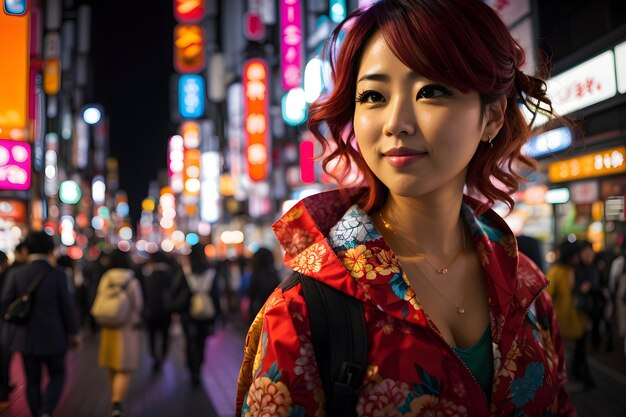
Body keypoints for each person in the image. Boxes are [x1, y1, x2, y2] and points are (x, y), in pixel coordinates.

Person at [236, 1, 575, 415]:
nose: (396, 122)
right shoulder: (303, 308)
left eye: (431, 90)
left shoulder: (526, 285)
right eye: (373, 95)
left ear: (491, 115)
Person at [0, 231, 81, 417]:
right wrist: (74, 333)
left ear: (27, 249)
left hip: (25, 336)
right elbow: (67, 307)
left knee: (32, 380)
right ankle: (46, 411)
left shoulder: (16, 274)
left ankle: (38, 413)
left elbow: (5, 302)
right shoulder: (59, 275)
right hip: (54, 336)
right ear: (51, 250)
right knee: (57, 375)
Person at [96, 249, 143, 417]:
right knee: (124, 368)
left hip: (108, 327)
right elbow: (138, 305)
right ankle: (117, 404)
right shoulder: (132, 281)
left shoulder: (106, 278)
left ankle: (114, 399)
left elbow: (100, 297)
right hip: (127, 329)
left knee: (111, 365)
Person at [546, 241, 594, 391]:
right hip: (566, 320)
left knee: (569, 354)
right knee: (567, 355)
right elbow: (548, 296)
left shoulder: (564, 270)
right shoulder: (561, 271)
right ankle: (567, 382)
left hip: (571, 320)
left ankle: (570, 380)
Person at [176, 243, 219, 387]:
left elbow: (177, 290)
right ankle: (198, 367)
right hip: (206, 314)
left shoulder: (186, 271)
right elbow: (216, 296)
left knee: (189, 341)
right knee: (201, 342)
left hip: (188, 313)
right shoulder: (211, 272)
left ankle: (192, 369)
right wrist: (217, 316)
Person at [141, 251, 174, 373]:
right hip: (166, 311)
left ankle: (155, 358)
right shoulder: (169, 273)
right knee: (165, 335)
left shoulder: (147, 274)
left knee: (152, 336)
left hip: (150, 311)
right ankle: (163, 356)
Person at [247, 247, 281, 324]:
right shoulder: (274, 274)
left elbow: (251, 296)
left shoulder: (256, 275)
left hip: (258, 313)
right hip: (273, 312)